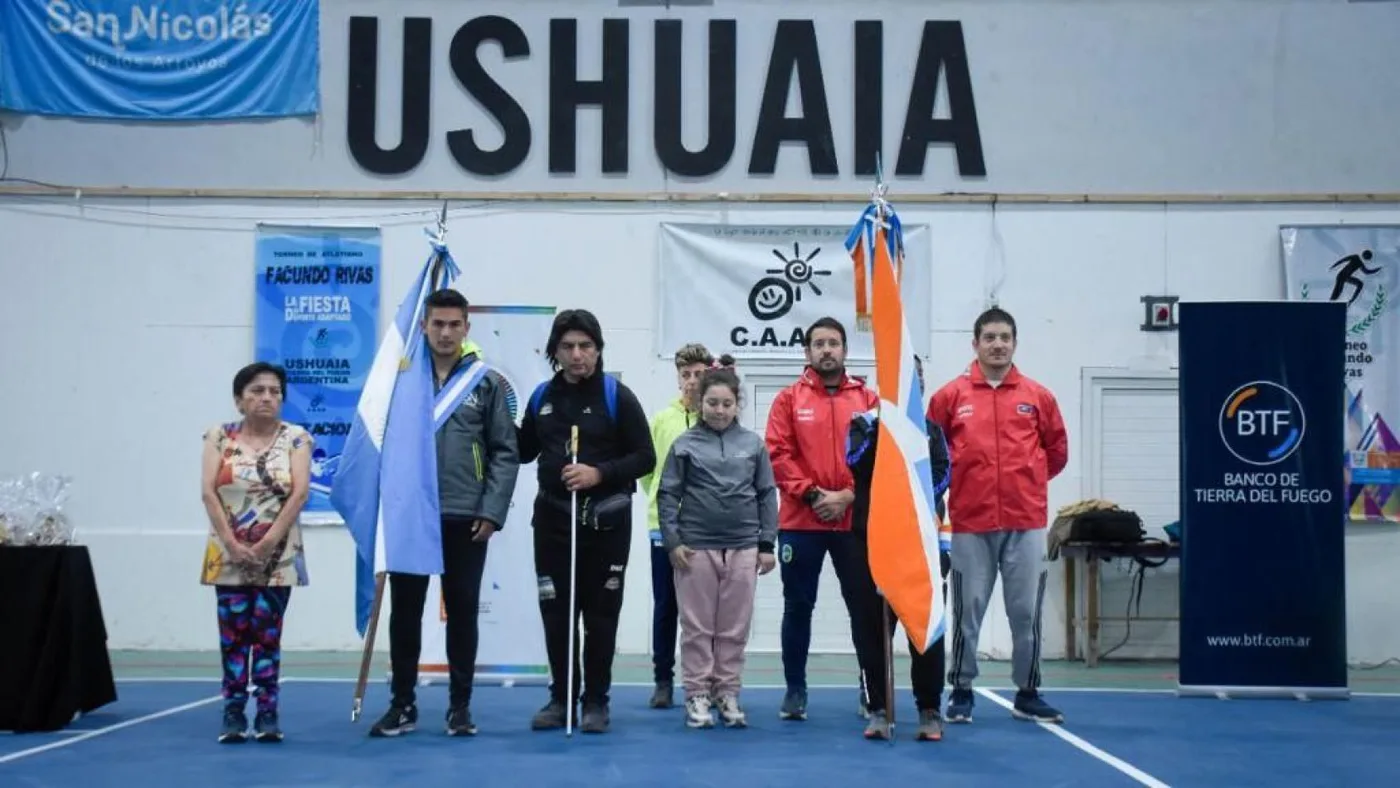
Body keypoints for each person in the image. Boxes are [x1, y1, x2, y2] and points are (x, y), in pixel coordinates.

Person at [368, 289, 520, 738]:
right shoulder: (399, 380)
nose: (446, 332)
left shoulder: (486, 383)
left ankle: (460, 706)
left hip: (465, 514)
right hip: (411, 515)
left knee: (464, 611)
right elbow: (378, 444)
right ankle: (403, 704)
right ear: (423, 326)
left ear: (467, 328)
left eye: (455, 324)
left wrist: (491, 510)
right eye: (438, 324)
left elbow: (505, 452)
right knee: (406, 612)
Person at [927, 306, 1069, 724]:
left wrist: (1027, 481)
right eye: (989, 337)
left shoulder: (1037, 396)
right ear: (975, 343)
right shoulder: (951, 397)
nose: (997, 344)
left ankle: (1028, 691)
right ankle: (962, 690)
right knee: (967, 611)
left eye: (1004, 337)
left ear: (1014, 343)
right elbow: (934, 453)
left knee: (1025, 612)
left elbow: (1057, 451)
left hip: (1025, 523)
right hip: (970, 522)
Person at [517, 308, 656, 733]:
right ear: (555, 351)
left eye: (585, 346)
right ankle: (561, 699)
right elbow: (522, 450)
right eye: (568, 347)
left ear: (597, 349)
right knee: (558, 616)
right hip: (553, 523)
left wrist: (599, 473)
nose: (577, 355)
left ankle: (596, 700)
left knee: (600, 616)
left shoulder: (618, 396)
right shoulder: (542, 397)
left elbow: (645, 457)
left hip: (606, 526)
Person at [764, 316, 878, 721]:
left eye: (833, 343)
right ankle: (795, 690)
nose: (826, 350)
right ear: (807, 351)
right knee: (798, 607)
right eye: (819, 343)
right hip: (801, 522)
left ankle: (871, 690)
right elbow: (778, 454)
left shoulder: (868, 400)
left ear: (845, 350)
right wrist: (813, 495)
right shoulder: (787, 400)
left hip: (853, 523)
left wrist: (848, 496)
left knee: (862, 608)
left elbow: (879, 457)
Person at [656, 357, 778, 729]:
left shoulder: (753, 445)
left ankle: (727, 692)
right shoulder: (684, 444)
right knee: (697, 627)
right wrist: (673, 541)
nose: (720, 410)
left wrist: (766, 544)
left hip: (743, 547)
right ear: (700, 403)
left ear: (737, 404)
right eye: (712, 403)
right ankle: (696, 694)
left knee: (734, 627)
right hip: (696, 549)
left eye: (727, 403)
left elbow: (766, 494)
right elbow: (666, 494)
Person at [200, 362, 312, 744]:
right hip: (227, 551)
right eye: (257, 390)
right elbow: (208, 492)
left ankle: (267, 712)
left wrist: (266, 544)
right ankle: (232, 711)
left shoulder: (296, 438)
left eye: (274, 391)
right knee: (233, 636)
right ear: (239, 399)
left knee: (267, 635)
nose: (267, 397)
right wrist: (233, 543)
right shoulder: (218, 437)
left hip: (277, 555)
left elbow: (299, 494)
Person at [844, 355, 953, 741]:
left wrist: (911, 497)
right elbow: (855, 464)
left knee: (924, 630)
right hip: (870, 542)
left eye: (914, 377)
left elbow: (942, 475)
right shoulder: (862, 424)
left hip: (920, 545)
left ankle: (929, 709)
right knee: (871, 630)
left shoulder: (933, 431)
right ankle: (878, 707)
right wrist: (885, 428)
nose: (908, 384)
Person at [638, 342, 715, 709]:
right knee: (665, 606)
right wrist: (662, 508)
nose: (692, 381)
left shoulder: (717, 421)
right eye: (686, 375)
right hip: (664, 529)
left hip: (707, 530)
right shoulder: (661, 421)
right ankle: (663, 680)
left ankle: (708, 680)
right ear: (678, 378)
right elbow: (648, 474)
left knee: (705, 611)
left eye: (699, 375)